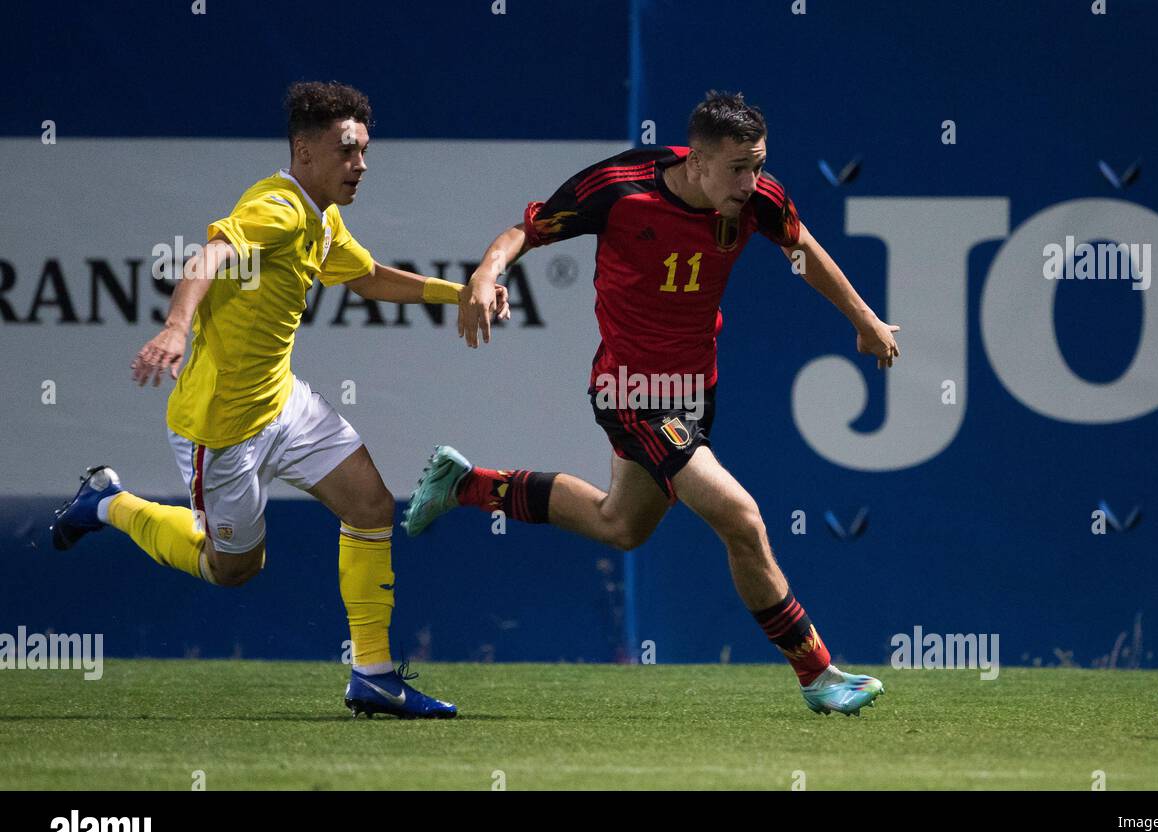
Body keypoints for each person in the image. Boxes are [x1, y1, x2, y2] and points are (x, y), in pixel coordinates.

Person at [403, 91, 900, 716]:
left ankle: (470, 485)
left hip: (694, 389)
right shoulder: (618, 188)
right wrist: (484, 275)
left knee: (622, 525)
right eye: (738, 168)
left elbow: (801, 249)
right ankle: (818, 674)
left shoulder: (758, 200)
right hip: (629, 391)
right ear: (696, 162)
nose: (751, 181)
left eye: (759, 165)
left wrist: (863, 318)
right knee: (741, 519)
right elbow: (524, 232)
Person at [51, 81, 505, 719]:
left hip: (283, 404)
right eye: (347, 151)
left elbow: (369, 278)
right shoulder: (279, 208)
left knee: (371, 504)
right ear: (304, 150)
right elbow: (209, 255)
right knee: (233, 569)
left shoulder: (321, 216)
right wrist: (178, 327)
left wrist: (455, 292)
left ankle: (372, 674)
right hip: (221, 428)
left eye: (364, 151)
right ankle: (109, 503)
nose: (361, 165)